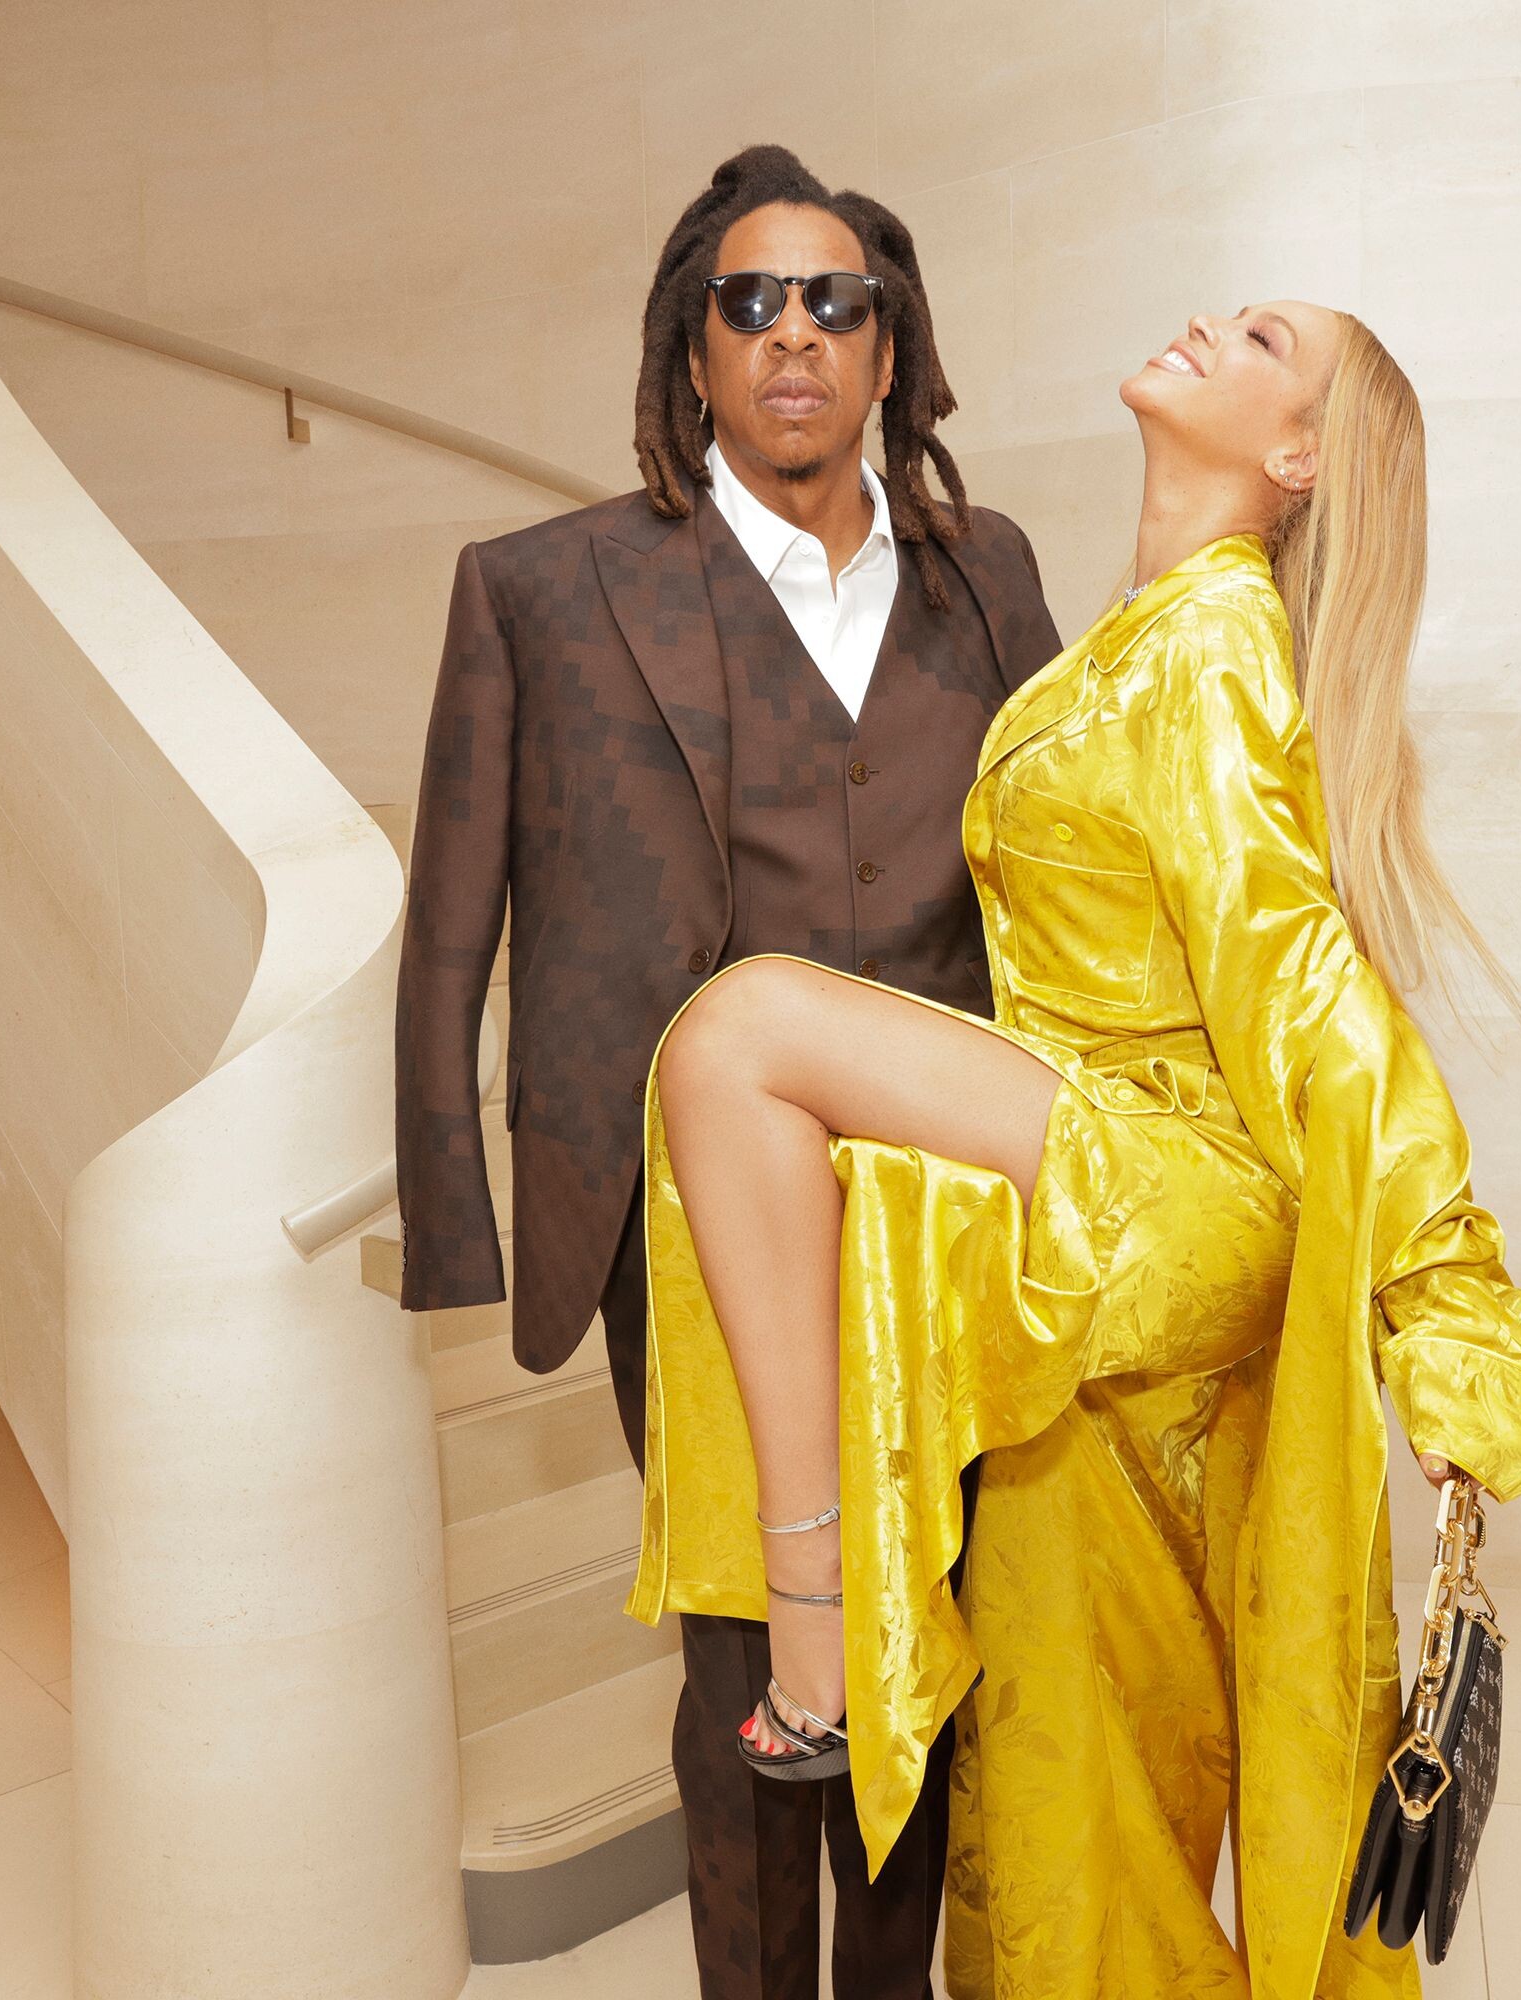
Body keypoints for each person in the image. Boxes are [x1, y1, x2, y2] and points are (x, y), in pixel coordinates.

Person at [626, 300, 1521, 1998]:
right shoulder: (1140, 640)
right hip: (1101, 1194)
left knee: (739, 1034)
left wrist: (1448, 1303)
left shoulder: (1211, 646)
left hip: (1163, 1173)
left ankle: (815, 1625)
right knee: (1074, 1746)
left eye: (1263, 340)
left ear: (1298, 457)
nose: (1211, 324)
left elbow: (1302, 986)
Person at [392, 146, 1064, 1999]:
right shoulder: (541, 588)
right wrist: (456, 1208)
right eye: (748, 301)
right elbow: (451, 912)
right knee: (745, 1655)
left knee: (918, 1637)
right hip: (679, 1220)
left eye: (835, 301)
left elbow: (1066, 862)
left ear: (888, 349)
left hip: (946, 1203)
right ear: (691, 350)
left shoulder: (988, 573)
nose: (793, 334)